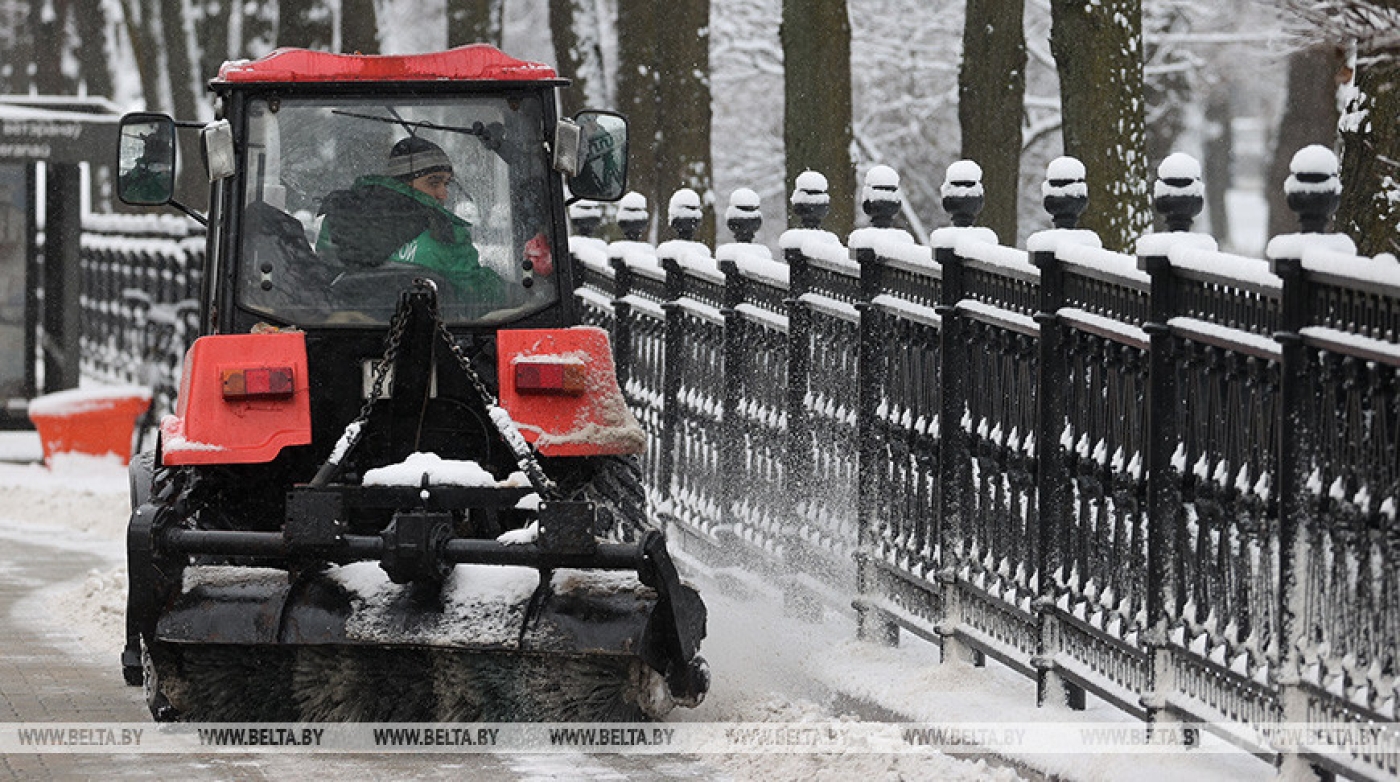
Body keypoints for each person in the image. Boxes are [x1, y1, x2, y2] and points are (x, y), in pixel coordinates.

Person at [316, 136, 503, 303]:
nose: (443, 194)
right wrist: (515, 295)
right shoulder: (445, 233)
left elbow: (322, 279)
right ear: (402, 182)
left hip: (346, 327)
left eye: (446, 184)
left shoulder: (338, 218)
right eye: (433, 182)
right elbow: (477, 294)